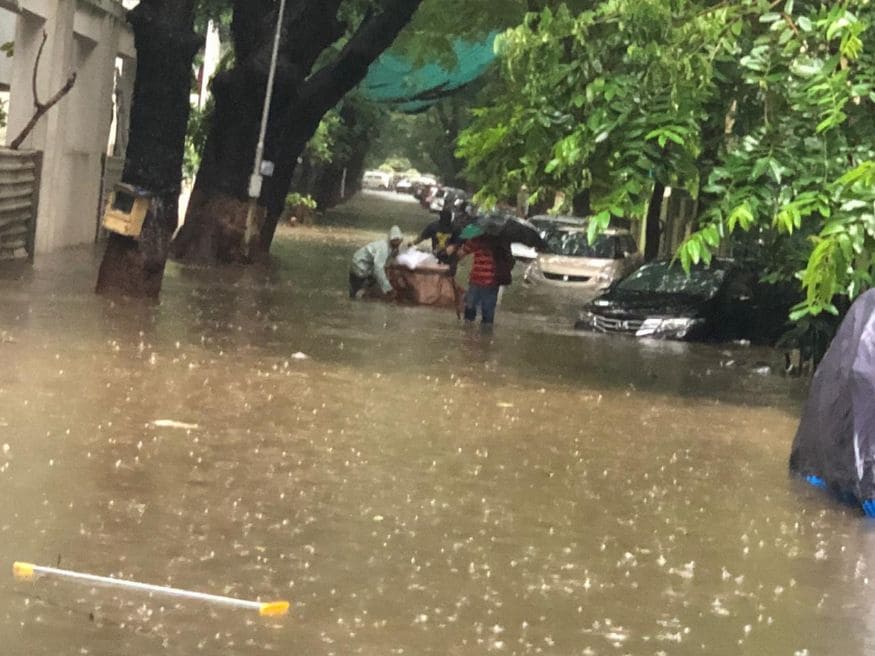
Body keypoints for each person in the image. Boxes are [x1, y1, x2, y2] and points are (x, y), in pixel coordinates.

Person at [451, 235, 514, 325]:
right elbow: (509, 260)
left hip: (478, 280)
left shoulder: (476, 238)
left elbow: (461, 253)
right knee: (487, 315)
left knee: (470, 313)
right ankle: (485, 332)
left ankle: (468, 330)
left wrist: (452, 254)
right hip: (491, 282)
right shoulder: (501, 241)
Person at [349, 226, 404, 299]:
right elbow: (378, 269)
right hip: (360, 266)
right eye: (396, 241)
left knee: (356, 293)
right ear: (391, 240)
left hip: (358, 264)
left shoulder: (389, 247)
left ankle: (361, 290)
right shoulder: (383, 248)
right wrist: (388, 288)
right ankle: (362, 291)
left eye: (398, 241)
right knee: (360, 295)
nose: (398, 243)